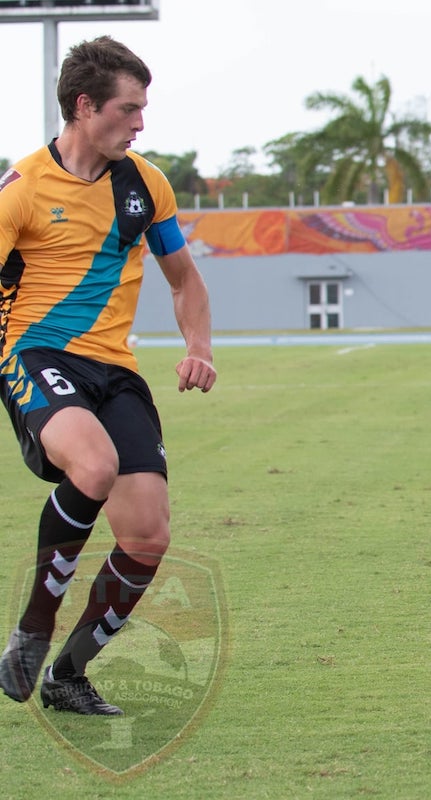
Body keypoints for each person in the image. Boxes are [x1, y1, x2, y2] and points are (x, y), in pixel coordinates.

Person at [0, 36, 216, 716]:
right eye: (129, 109)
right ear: (85, 106)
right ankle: (33, 628)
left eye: (144, 109)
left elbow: (184, 279)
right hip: (35, 355)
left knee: (148, 535)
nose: (141, 123)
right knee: (91, 466)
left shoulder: (144, 184)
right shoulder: (23, 189)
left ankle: (68, 674)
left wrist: (198, 345)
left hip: (113, 373)